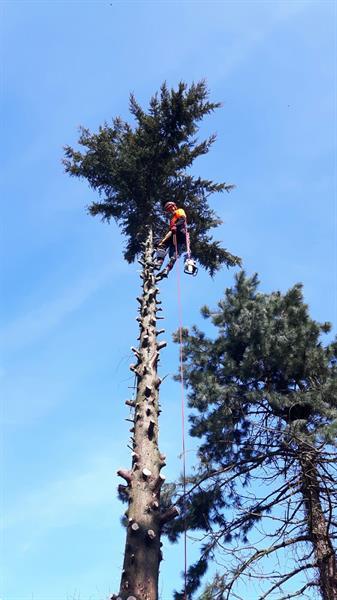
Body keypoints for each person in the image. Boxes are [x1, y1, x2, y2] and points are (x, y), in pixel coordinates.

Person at [155, 201, 187, 280]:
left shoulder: (179, 211)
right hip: (177, 235)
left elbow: (183, 219)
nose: (171, 209)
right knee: (173, 254)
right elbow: (172, 229)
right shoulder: (172, 218)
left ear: (174, 206)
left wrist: (175, 226)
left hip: (180, 232)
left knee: (162, 245)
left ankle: (159, 263)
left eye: (171, 207)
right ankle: (167, 269)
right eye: (169, 209)